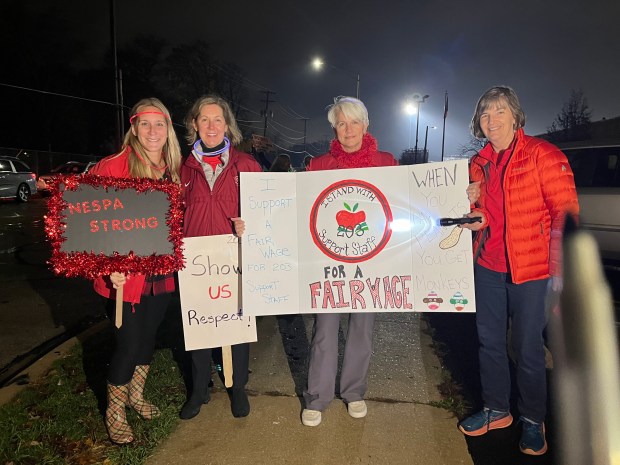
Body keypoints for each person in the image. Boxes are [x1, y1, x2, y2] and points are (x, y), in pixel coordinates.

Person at [458, 86, 579, 456]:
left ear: (515, 116)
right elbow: (490, 214)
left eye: (498, 113)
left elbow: (566, 214)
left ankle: (532, 419)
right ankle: (497, 410)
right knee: (489, 343)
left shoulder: (543, 155)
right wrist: (479, 219)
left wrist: (560, 272)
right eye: (484, 115)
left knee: (526, 348)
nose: (491, 121)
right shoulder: (477, 164)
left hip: (532, 270)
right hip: (489, 267)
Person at [89, 98, 183, 445]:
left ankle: (136, 396)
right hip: (124, 279)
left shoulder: (173, 169)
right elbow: (88, 224)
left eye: (160, 124)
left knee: (147, 339)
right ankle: (114, 412)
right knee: (128, 344)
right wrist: (107, 267)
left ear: (169, 129)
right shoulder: (112, 167)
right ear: (134, 127)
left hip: (161, 274)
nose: (153, 131)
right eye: (145, 124)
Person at [301, 96, 398, 427]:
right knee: (325, 330)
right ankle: (317, 396)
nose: (348, 129)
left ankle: (354, 392)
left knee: (362, 329)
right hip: (330, 263)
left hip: (371, 262)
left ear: (366, 125)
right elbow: (303, 212)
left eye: (354, 122)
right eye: (341, 123)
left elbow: (402, 207)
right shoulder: (318, 166)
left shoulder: (387, 163)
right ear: (334, 128)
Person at [179, 94, 262, 420]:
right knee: (198, 329)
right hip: (196, 264)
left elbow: (264, 216)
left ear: (227, 125)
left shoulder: (248, 165)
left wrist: (250, 225)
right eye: (204, 120)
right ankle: (200, 390)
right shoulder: (183, 169)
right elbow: (173, 214)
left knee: (236, 327)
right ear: (194, 125)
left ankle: (237, 386)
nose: (211, 126)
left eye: (217, 120)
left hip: (235, 261)